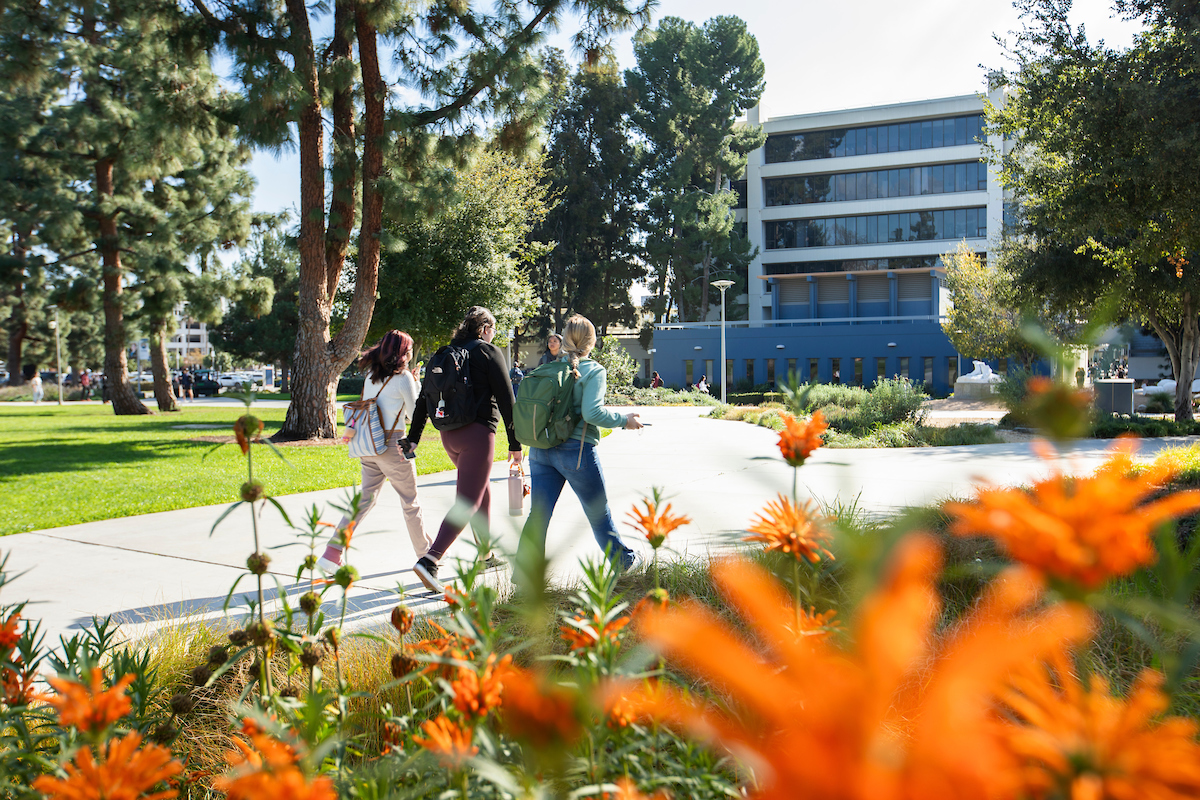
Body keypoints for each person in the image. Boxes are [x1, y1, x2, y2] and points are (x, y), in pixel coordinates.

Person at [404, 306, 522, 593]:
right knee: (467, 501)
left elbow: (423, 399)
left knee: (480, 492)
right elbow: (507, 400)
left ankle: (485, 555)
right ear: (484, 329)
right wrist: (515, 443)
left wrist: (414, 437)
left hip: (449, 436)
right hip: (478, 435)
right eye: (492, 330)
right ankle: (430, 560)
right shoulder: (487, 353)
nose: (493, 335)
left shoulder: (445, 352)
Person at [516, 314, 642, 581]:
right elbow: (592, 413)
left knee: (538, 516)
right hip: (575, 451)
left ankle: (525, 575)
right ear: (591, 342)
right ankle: (623, 561)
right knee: (598, 511)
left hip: (540, 451)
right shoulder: (593, 370)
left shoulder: (548, 368)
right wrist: (624, 421)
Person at [318, 330, 431, 572]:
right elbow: (414, 414)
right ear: (402, 353)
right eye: (409, 350)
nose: (411, 354)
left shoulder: (371, 375)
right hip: (392, 445)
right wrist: (417, 382)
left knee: (364, 500)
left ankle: (332, 551)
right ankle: (427, 557)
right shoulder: (403, 379)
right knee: (411, 503)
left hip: (368, 444)